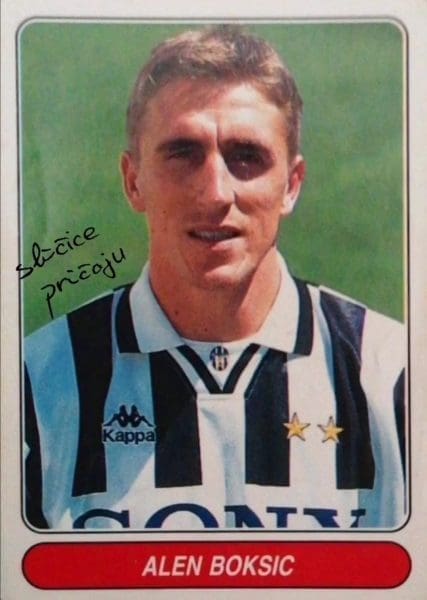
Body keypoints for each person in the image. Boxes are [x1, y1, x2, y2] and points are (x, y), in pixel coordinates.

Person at [24, 25, 406, 531]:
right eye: (183, 153)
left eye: (246, 156)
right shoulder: (34, 385)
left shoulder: (394, 376)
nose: (215, 193)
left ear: (291, 186)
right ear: (133, 181)